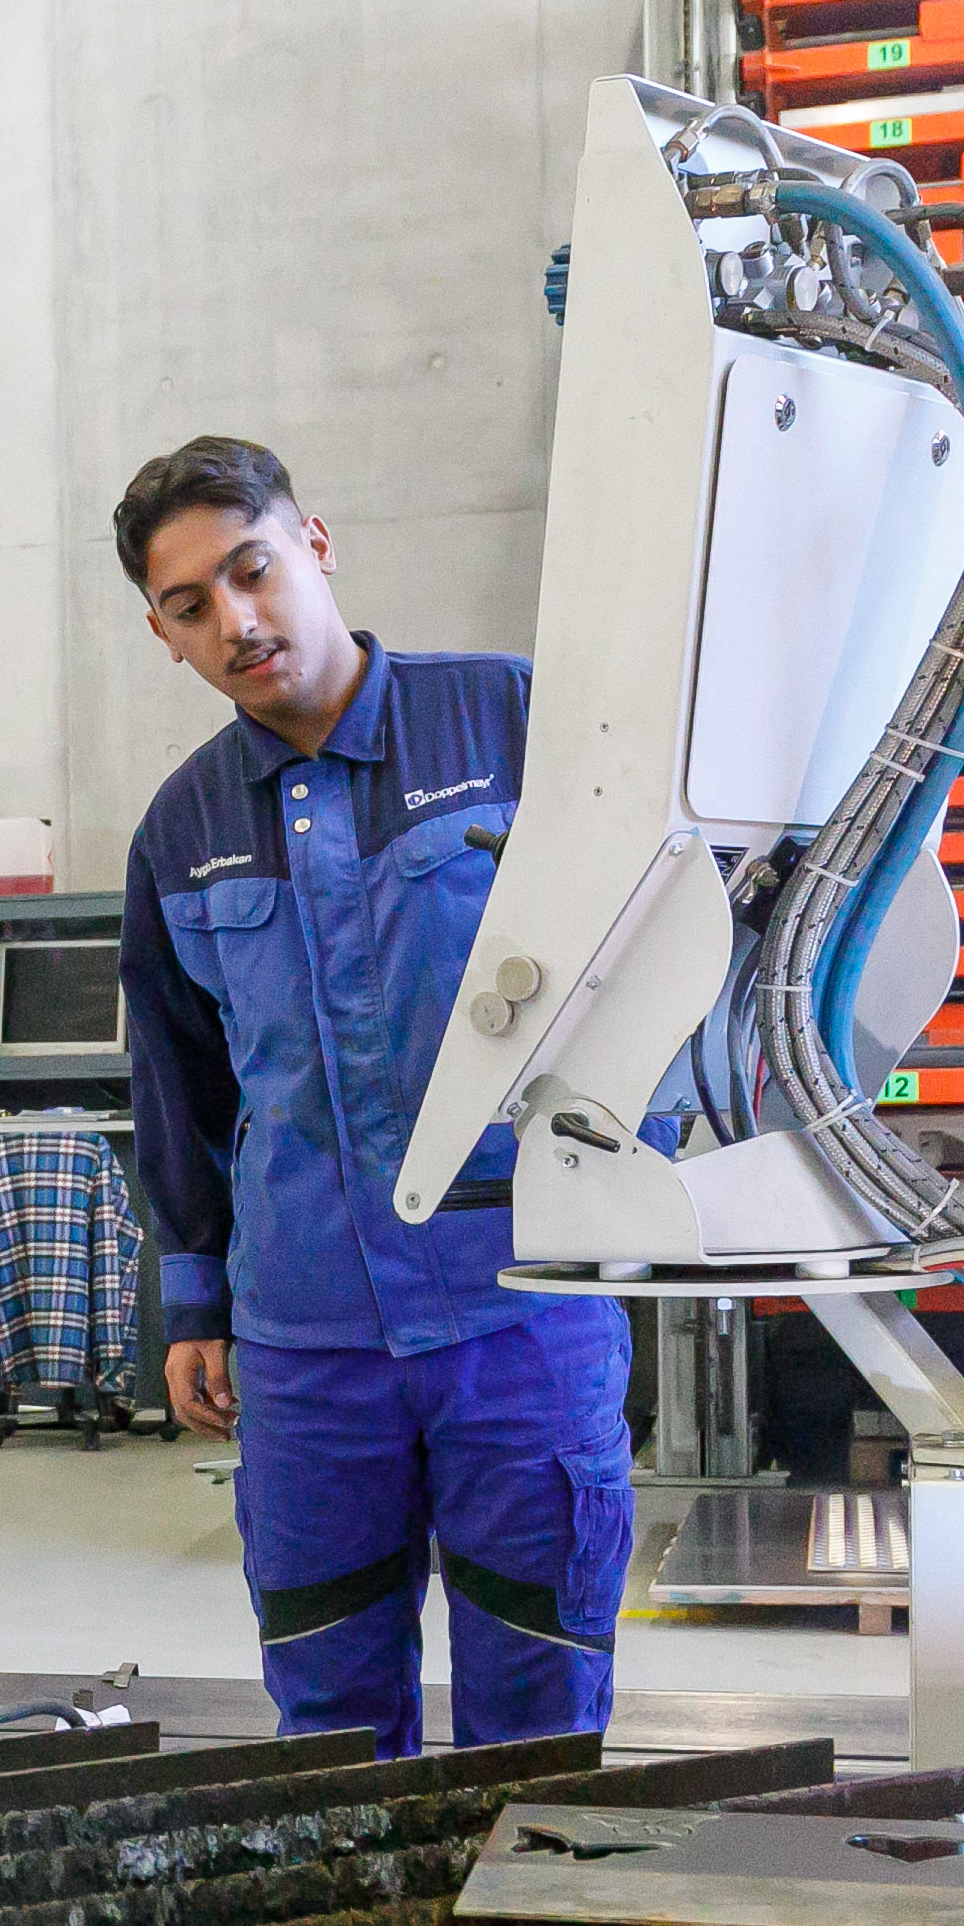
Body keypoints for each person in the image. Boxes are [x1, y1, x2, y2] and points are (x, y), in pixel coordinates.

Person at [113, 434, 635, 1758]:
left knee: (538, 1711)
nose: (237, 622)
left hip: (520, 1310)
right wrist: (195, 1300)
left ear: (316, 545)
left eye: (253, 570)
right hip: (307, 1343)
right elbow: (179, 1079)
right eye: (191, 605)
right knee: (330, 1724)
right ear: (165, 635)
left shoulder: (512, 722)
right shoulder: (181, 830)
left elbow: (665, 944)